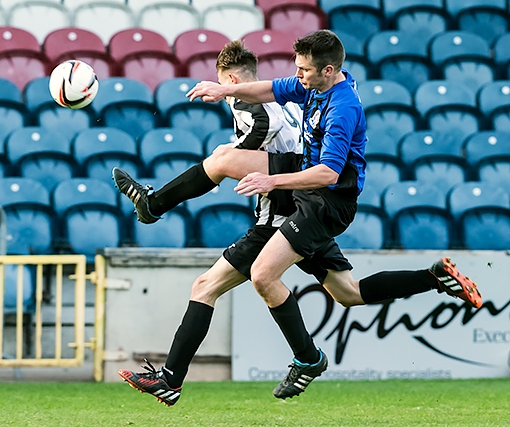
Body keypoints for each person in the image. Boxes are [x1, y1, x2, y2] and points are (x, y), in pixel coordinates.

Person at [115, 30, 483, 406]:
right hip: (304, 196)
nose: (299, 74)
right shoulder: (315, 84)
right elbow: (270, 89)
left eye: (305, 69)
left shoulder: (343, 108)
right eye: (298, 67)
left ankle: (305, 359)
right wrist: (224, 90)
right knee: (348, 293)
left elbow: (328, 173)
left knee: (261, 274)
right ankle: (435, 278)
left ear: (327, 69)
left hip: (324, 203)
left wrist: (270, 179)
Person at [115, 39, 304, 406]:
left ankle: (153, 204)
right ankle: (431, 279)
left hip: (276, 224)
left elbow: (261, 124)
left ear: (230, 78)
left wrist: (232, 155)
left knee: (206, 285)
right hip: (301, 212)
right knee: (349, 291)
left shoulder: (246, 100)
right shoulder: (281, 100)